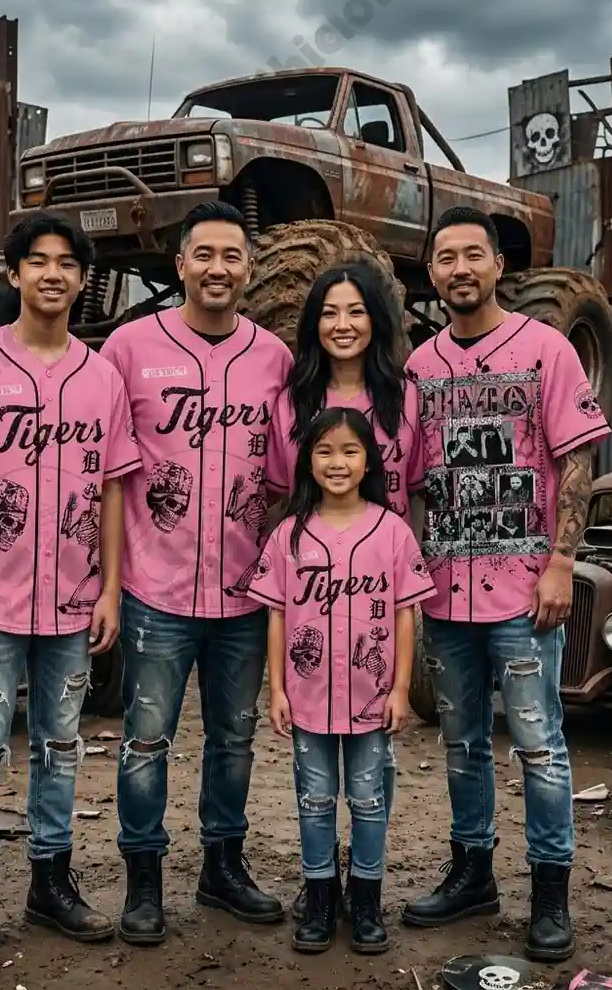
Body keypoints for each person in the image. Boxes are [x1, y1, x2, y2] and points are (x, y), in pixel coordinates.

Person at [0, 212, 143, 966]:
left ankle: (50, 883)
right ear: (13, 274)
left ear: (82, 278)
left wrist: (110, 589)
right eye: (37, 260)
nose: (52, 274)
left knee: (61, 746)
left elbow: (114, 489)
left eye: (66, 263)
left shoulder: (101, 377)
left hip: (73, 602)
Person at [400, 206, 611, 962]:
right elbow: (408, 479)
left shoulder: (547, 350)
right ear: (431, 273)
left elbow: (577, 460)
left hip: (524, 595)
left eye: (473, 255)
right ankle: (472, 874)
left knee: (539, 744)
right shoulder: (420, 368)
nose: (460, 269)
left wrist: (561, 561)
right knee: (461, 742)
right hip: (445, 595)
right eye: (445, 258)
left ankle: (550, 894)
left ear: (498, 266)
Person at [99, 200, 293, 945]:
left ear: (249, 268)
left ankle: (223, 867)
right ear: (179, 264)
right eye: (203, 254)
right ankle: (144, 881)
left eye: (232, 256)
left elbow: (286, 473)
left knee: (234, 740)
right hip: (156, 586)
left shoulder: (273, 358)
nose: (218, 268)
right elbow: (104, 466)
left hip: (243, 589)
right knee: (147, 739)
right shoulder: (129, 347)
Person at [264, 260, 425, 920]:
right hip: (313, 588)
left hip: (381, 586)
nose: (343, 324)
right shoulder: (292, 399)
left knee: (370, 776)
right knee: (314, 785)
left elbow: (415, 482)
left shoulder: (404, 396)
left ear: (376, 320)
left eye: (356, 310)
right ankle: (320, 886)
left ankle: (366, 887)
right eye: (329, 312)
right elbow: (280, 485)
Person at [252, 407, 435, 954]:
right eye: (325, 451)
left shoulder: (392, 530)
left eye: (350, 450)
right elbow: (276, 616)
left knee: (368, 798)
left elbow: (405, 615)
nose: (338, 462)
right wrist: (276, 689)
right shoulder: (288, 534)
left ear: (369, 461)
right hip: (307, 697)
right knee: (314, 798)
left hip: (370, 698)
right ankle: (320, 900)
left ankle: (367, 900)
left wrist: (400, 689)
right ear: (307, 461)